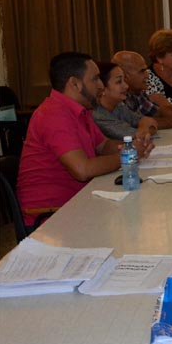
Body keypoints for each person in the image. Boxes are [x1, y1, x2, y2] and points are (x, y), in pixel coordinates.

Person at [16, 53, 151, 225]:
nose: (101, 85)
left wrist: (133, 145)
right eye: (95, 79)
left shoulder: (81, 110)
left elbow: (103, 146)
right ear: (75, 83)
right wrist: (129, 155)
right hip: (50, 216)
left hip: (77, 201)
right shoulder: (53, 114)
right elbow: (82, 170)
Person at [111, 51, 172, 128]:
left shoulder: (137, 93)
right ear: (125, 76)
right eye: (142, 71)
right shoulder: (117, 98)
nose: (147, 75)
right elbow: (139, 123)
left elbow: (159, 112)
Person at [92, 61, 159, 142]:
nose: (126, 86)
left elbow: (148, 121)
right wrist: (144, 131)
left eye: (124, 80)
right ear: (102, 87)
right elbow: (132, 136)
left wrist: (143, 129)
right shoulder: (97, 115)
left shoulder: (118, 106)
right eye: (119, 82)